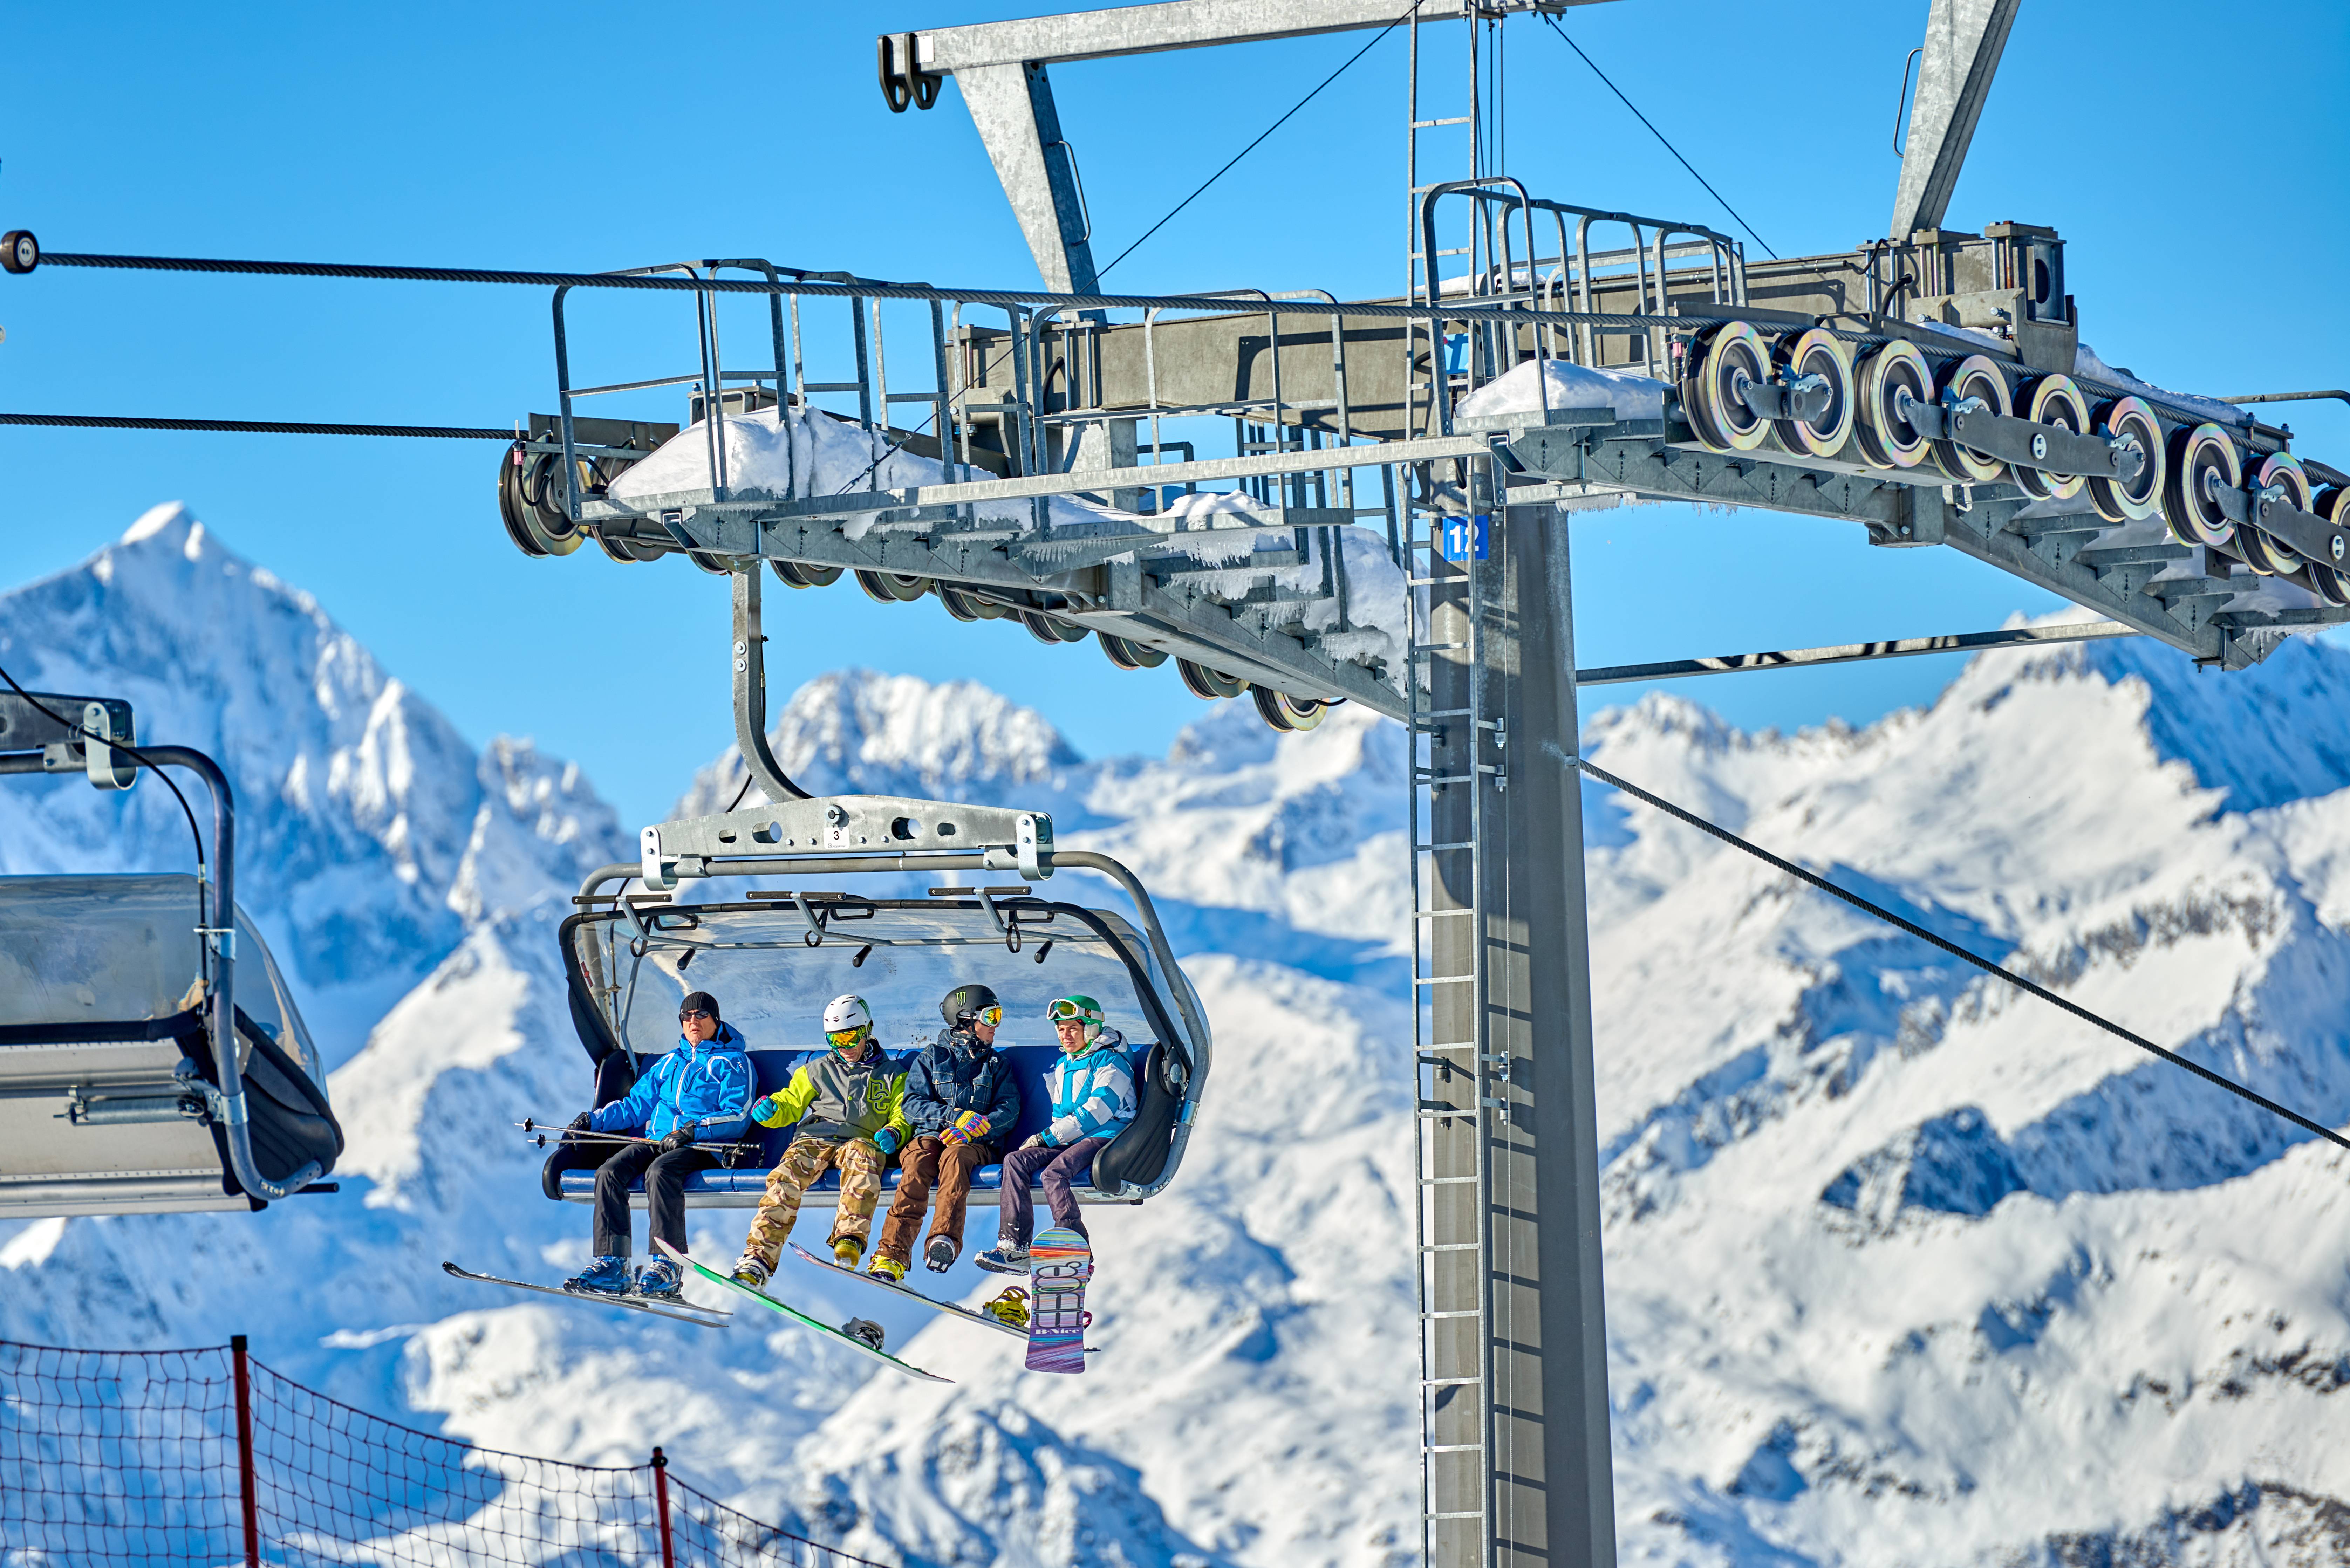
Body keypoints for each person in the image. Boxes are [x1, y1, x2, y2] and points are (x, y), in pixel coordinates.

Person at [564, 990, 754, 1301]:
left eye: (701, 1015)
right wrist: (593, 1120)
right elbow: (635, 1106)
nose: (693, 1021)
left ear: (716, 1020)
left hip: (704, 1145)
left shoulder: (733, 1062)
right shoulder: (670, 1062)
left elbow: (738, 1115)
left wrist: (692, 1130)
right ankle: (613, 1263)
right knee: (609, 1172)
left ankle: (668, 1264)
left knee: (660, 1172)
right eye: (687, 1016)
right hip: (658, 1139)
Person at [729, 993, 911, 1289]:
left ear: (867, 1030)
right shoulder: (817, 1070)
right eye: (836, 1040)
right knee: (785, 1177)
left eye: (851, 1037)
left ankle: (850, 1237)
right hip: (815, 1139)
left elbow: (902, 1113)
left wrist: (895, 1132)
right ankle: (758, 1258)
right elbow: (790, 1102)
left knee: (864, 1157)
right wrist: (772, 1110)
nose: (845, 1047)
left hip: (861, 1139)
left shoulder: (892, 1076)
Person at [870, 983, 1025, 1280]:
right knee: (916, 1164)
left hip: (975, 1144)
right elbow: (913, 1103)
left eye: (999, 1016)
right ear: (966, 1020)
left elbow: (1009, 1109)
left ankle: (944, 1240)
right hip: (931, 1136)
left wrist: (977, 1127)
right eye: (991, 1017)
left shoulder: (996, 1065)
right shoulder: (932, 1058)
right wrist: (954, 1117)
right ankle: (892, 1252)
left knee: (956, 1159)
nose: (997, 1025)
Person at [977, 995, 1135, 1274]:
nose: (1066, 1036)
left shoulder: (1112, 1062)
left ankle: (1075, 1246)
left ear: (1091, 1029)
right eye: (1061, 1029)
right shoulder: (1063, 1066)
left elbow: (1097, 1111)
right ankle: (1015, 1246)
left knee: (1054, 1173)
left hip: (1108, 1136)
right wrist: (1047, 1139)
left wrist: (1046, 1137)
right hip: (1075, 1137)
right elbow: (1062, 1117)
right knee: (1016, 1160)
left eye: (1073, 1028)